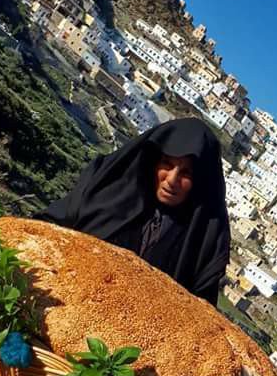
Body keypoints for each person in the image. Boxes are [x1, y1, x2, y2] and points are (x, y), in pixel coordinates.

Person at [37, 118, 230, 306]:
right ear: (154, 161)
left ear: (201, 183)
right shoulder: (104, 194)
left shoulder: (201, 245)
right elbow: (44, 230)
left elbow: (199, 316)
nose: (172, 179)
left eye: (186, 173)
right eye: (167, 164)